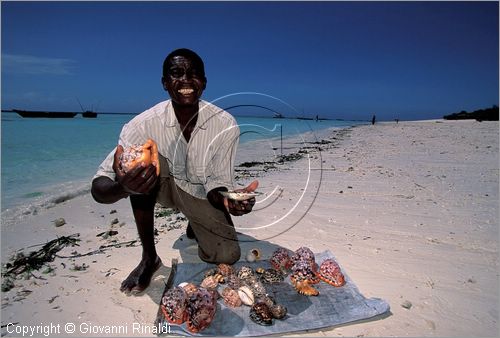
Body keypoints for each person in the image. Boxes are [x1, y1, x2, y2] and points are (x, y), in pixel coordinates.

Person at [91, 48, 257, 294]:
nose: (186, 80)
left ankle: (195, 221)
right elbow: (99, 188)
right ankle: (149, 258)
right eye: (176, 73)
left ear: (204, 82)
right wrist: (123, 187)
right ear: (165, 83)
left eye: (194, 74)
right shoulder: (142, 125)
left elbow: (216, 185)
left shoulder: (225, 124)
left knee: (227, 255)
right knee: (144, 163)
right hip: (159, 188)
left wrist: (229, 200)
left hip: (197, 193)